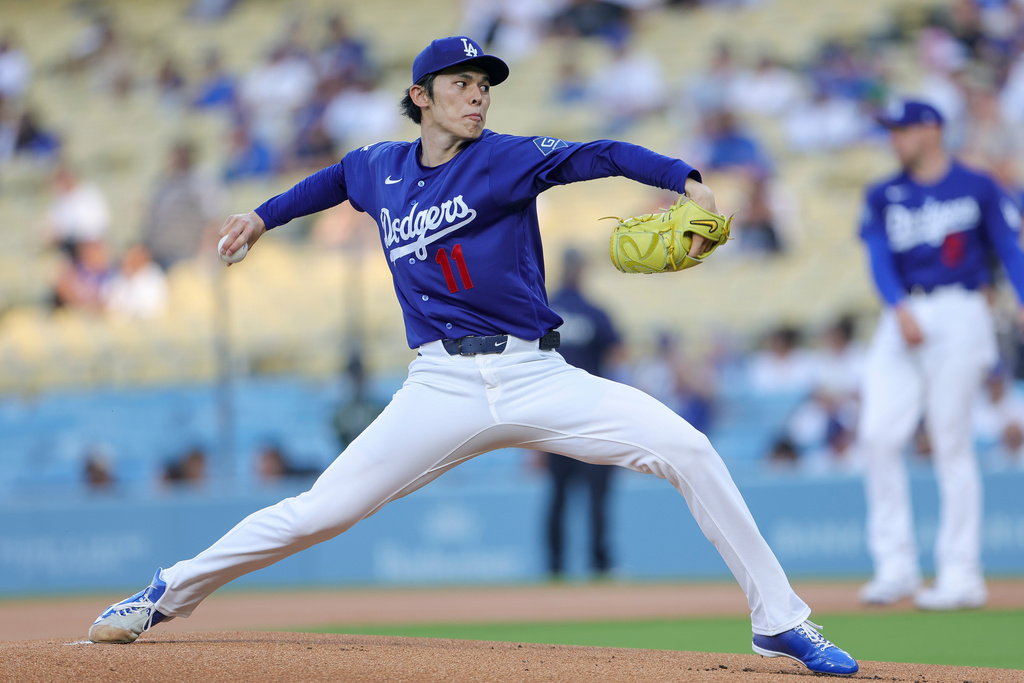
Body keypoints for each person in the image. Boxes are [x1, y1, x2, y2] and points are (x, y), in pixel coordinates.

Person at [87, 36, 858, 676]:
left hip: (536, 372)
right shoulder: (379, 168)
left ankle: (779, 620)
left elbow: (599, 152)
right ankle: (163, 593)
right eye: (461, 83)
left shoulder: (507, 157)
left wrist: (684, 180)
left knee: (688, 448)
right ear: (421, 94)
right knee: (319, 512)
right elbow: (331, 181)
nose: (478, 94)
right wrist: (262, 215)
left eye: (484, 83)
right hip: (442, 384)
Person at [856, 98, 1024, 611]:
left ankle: (961, 575)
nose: (895, 138)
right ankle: (896, 567)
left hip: (962, 309)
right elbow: (879, 255)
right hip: (905, 312)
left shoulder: (978, 185)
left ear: (933, 129)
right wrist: (896, 305)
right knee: (877, 435)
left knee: (951, 442)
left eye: (903, 129)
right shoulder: (884, 192)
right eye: (891, 131)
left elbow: (1009, 248)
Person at [539, 248, 622, 579]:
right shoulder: (594, 312)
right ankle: (599, 565)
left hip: (552, 416)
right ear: (581, 270)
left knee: (559, 495)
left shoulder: (543, 309)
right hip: (592, 415)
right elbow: (618, 354)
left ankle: (556, 568)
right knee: (595, 496)